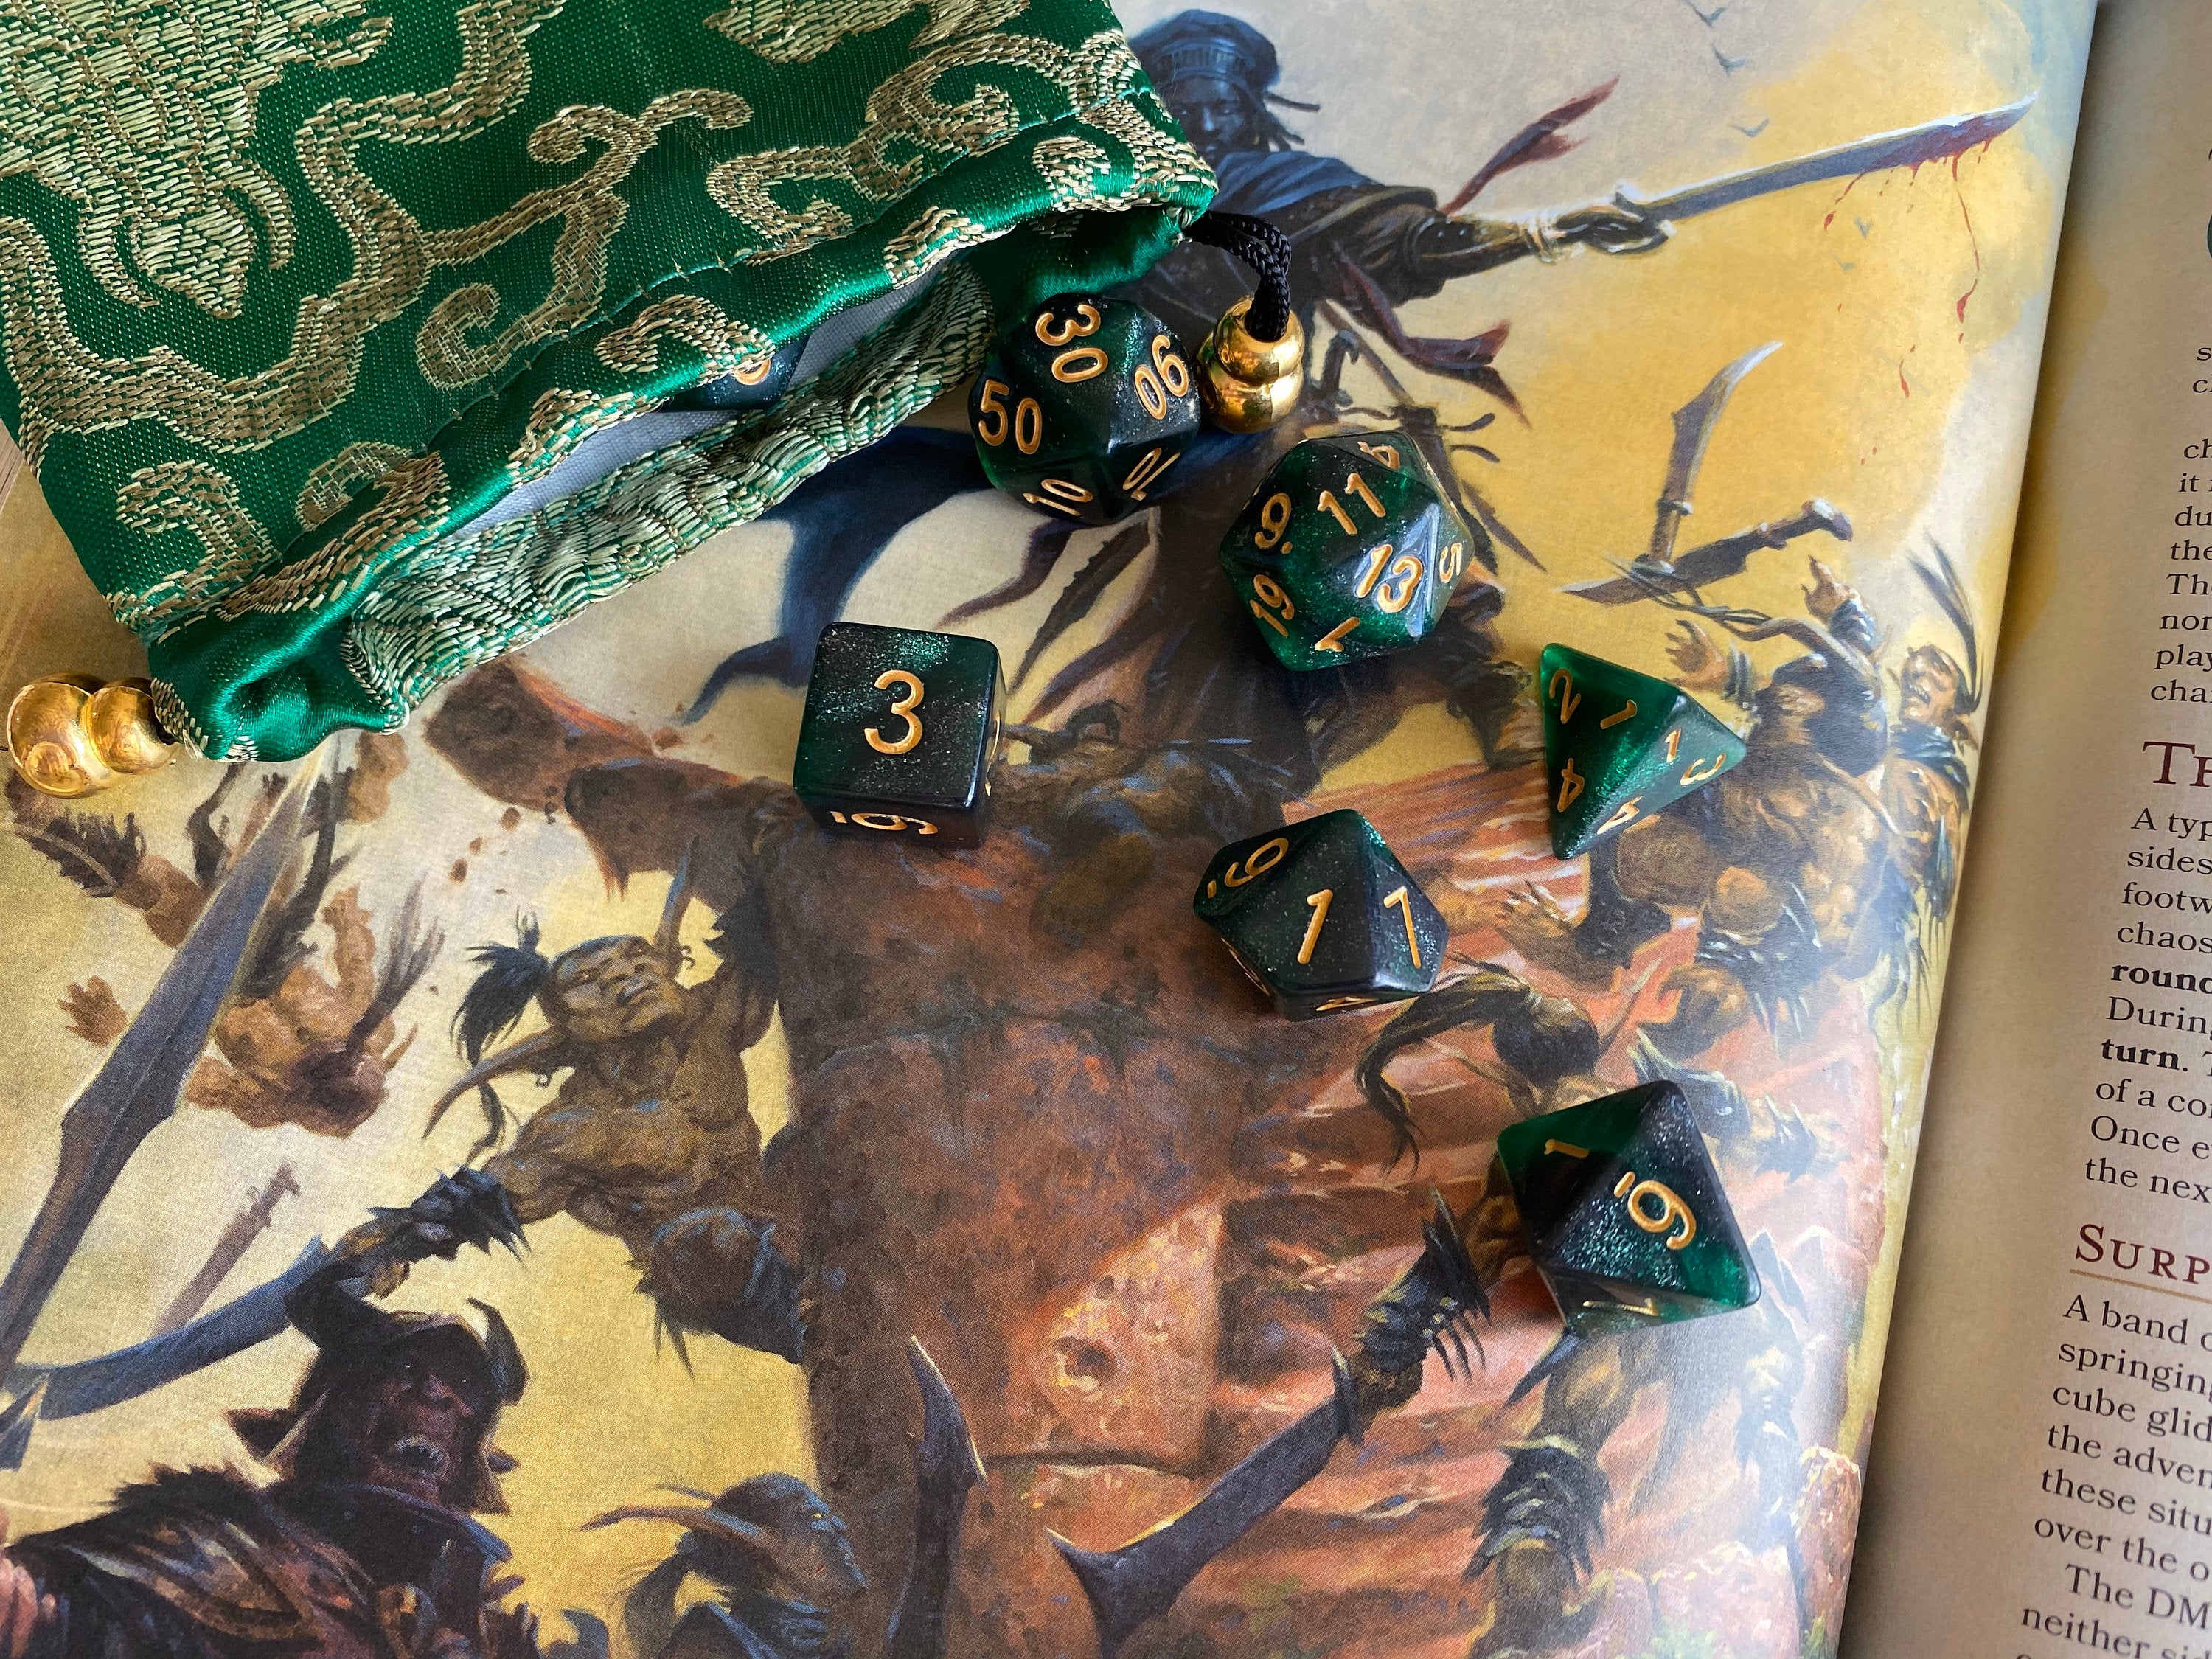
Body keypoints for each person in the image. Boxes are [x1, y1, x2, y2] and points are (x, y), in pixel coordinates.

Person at [0, 1284, 536, 1659]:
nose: (441, 1396)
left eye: (466, 1388)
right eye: (408, 1369)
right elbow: (43, 1611)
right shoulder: (214, 1552)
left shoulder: (466, 1624)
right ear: (329, 1411)